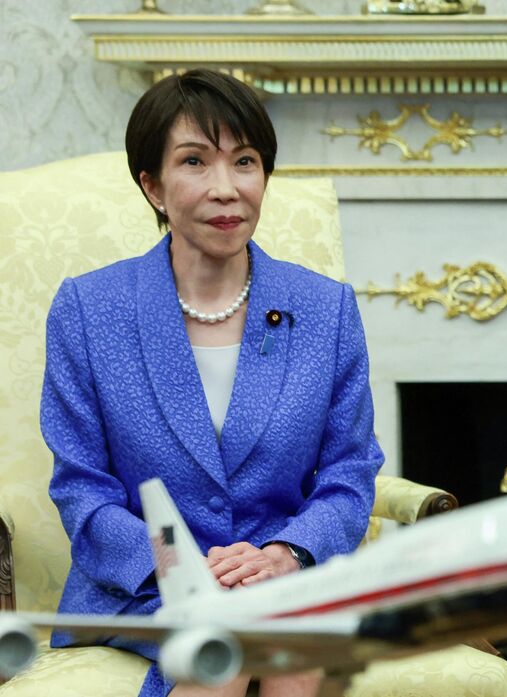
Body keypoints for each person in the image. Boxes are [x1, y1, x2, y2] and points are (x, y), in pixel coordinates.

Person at [40, 69, 384, 697]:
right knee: (228, 642)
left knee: (281, 644)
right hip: (144, 587)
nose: (226, 189)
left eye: (245, 162)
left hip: (285, 581)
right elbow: (83, 491)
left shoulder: (324, 308)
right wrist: (183, 570)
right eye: (195, 162)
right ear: (153, 187)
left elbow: (349, 474)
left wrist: (284, 553)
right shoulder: (90, 310)